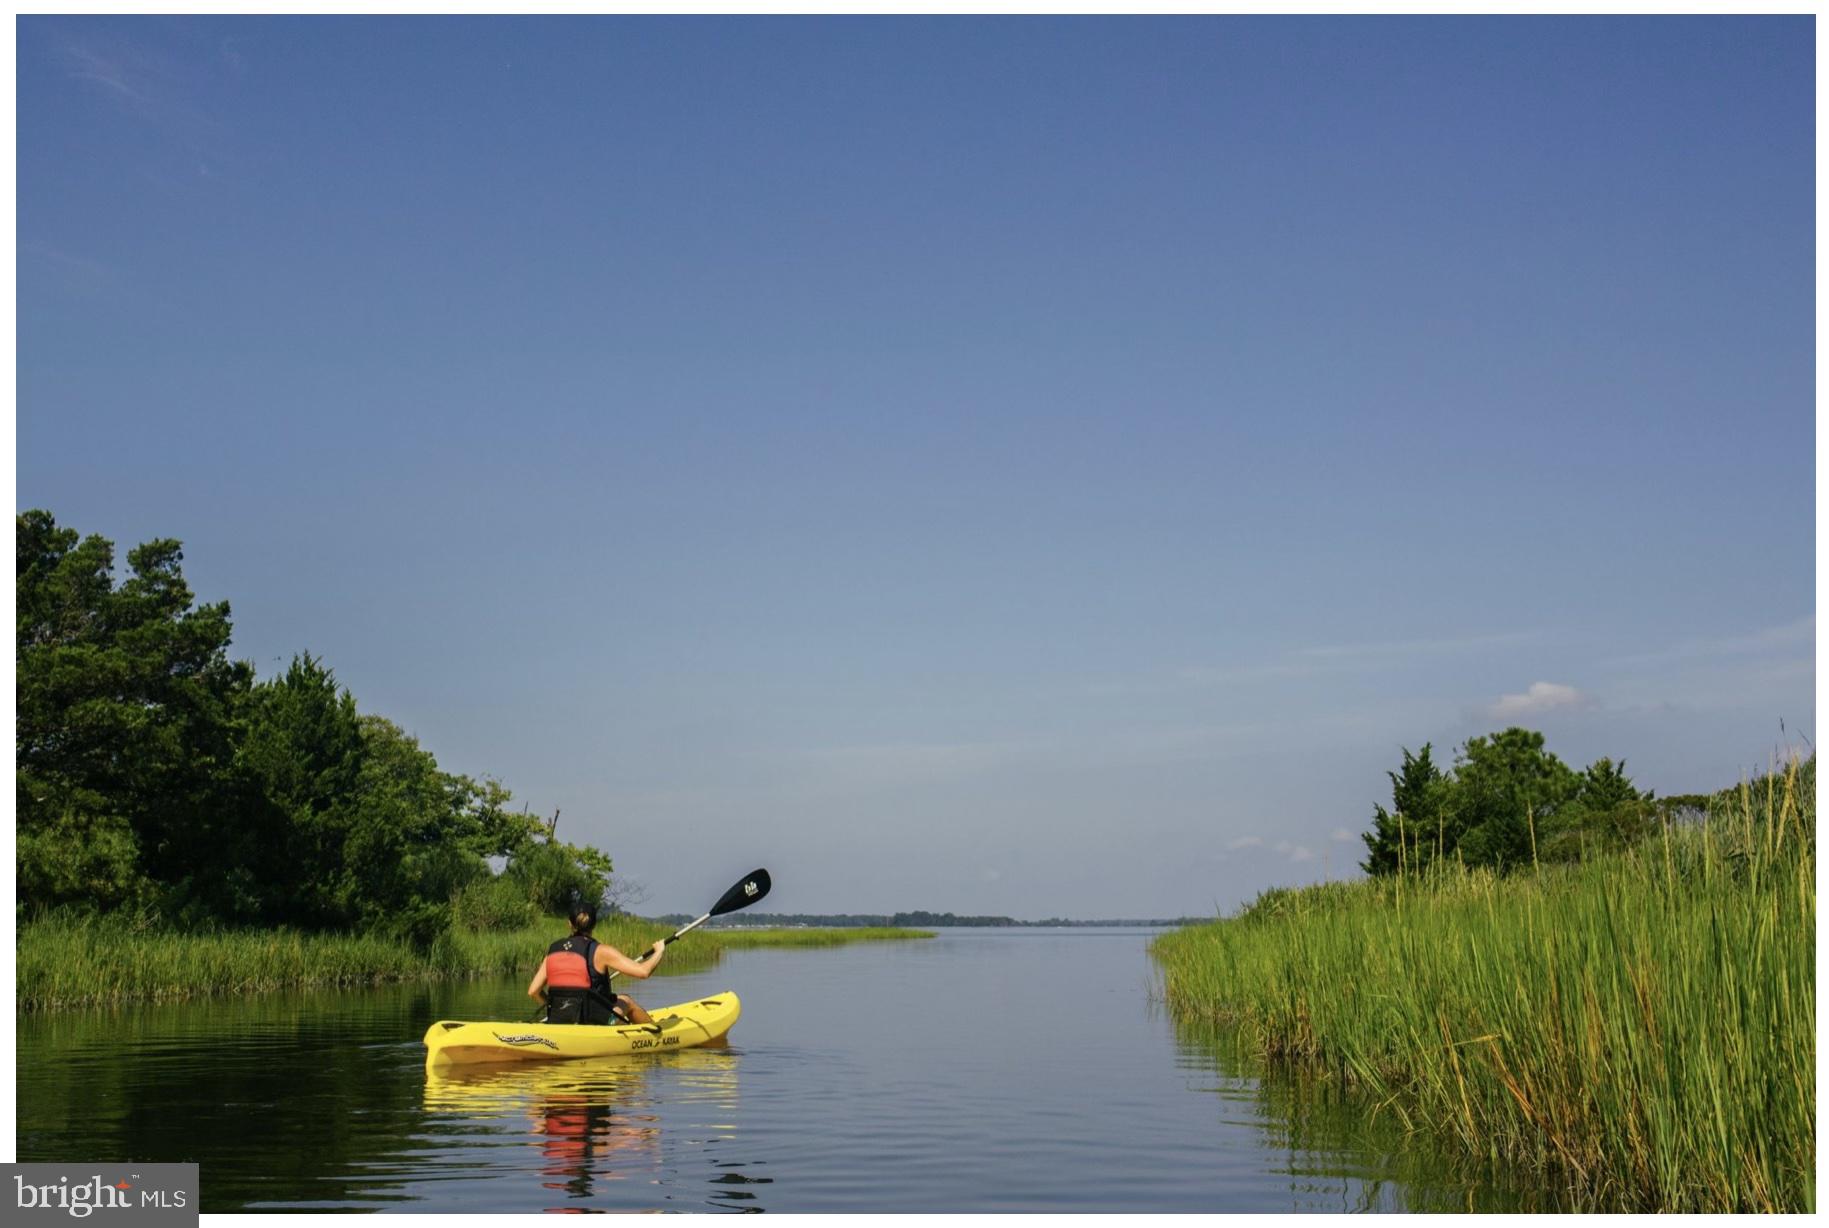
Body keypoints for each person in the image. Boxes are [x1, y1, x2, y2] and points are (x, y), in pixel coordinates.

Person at [527, 901, 668, 1025]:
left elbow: (533, 991)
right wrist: (659, 951)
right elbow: (644, 971)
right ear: (594, 924)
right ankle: (657, 1033)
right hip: (594, 1021)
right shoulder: (601, 951)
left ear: (569, 923)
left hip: (559, 1018)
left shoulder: (553, 950)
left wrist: (555, 1006)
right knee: (626, 1000)